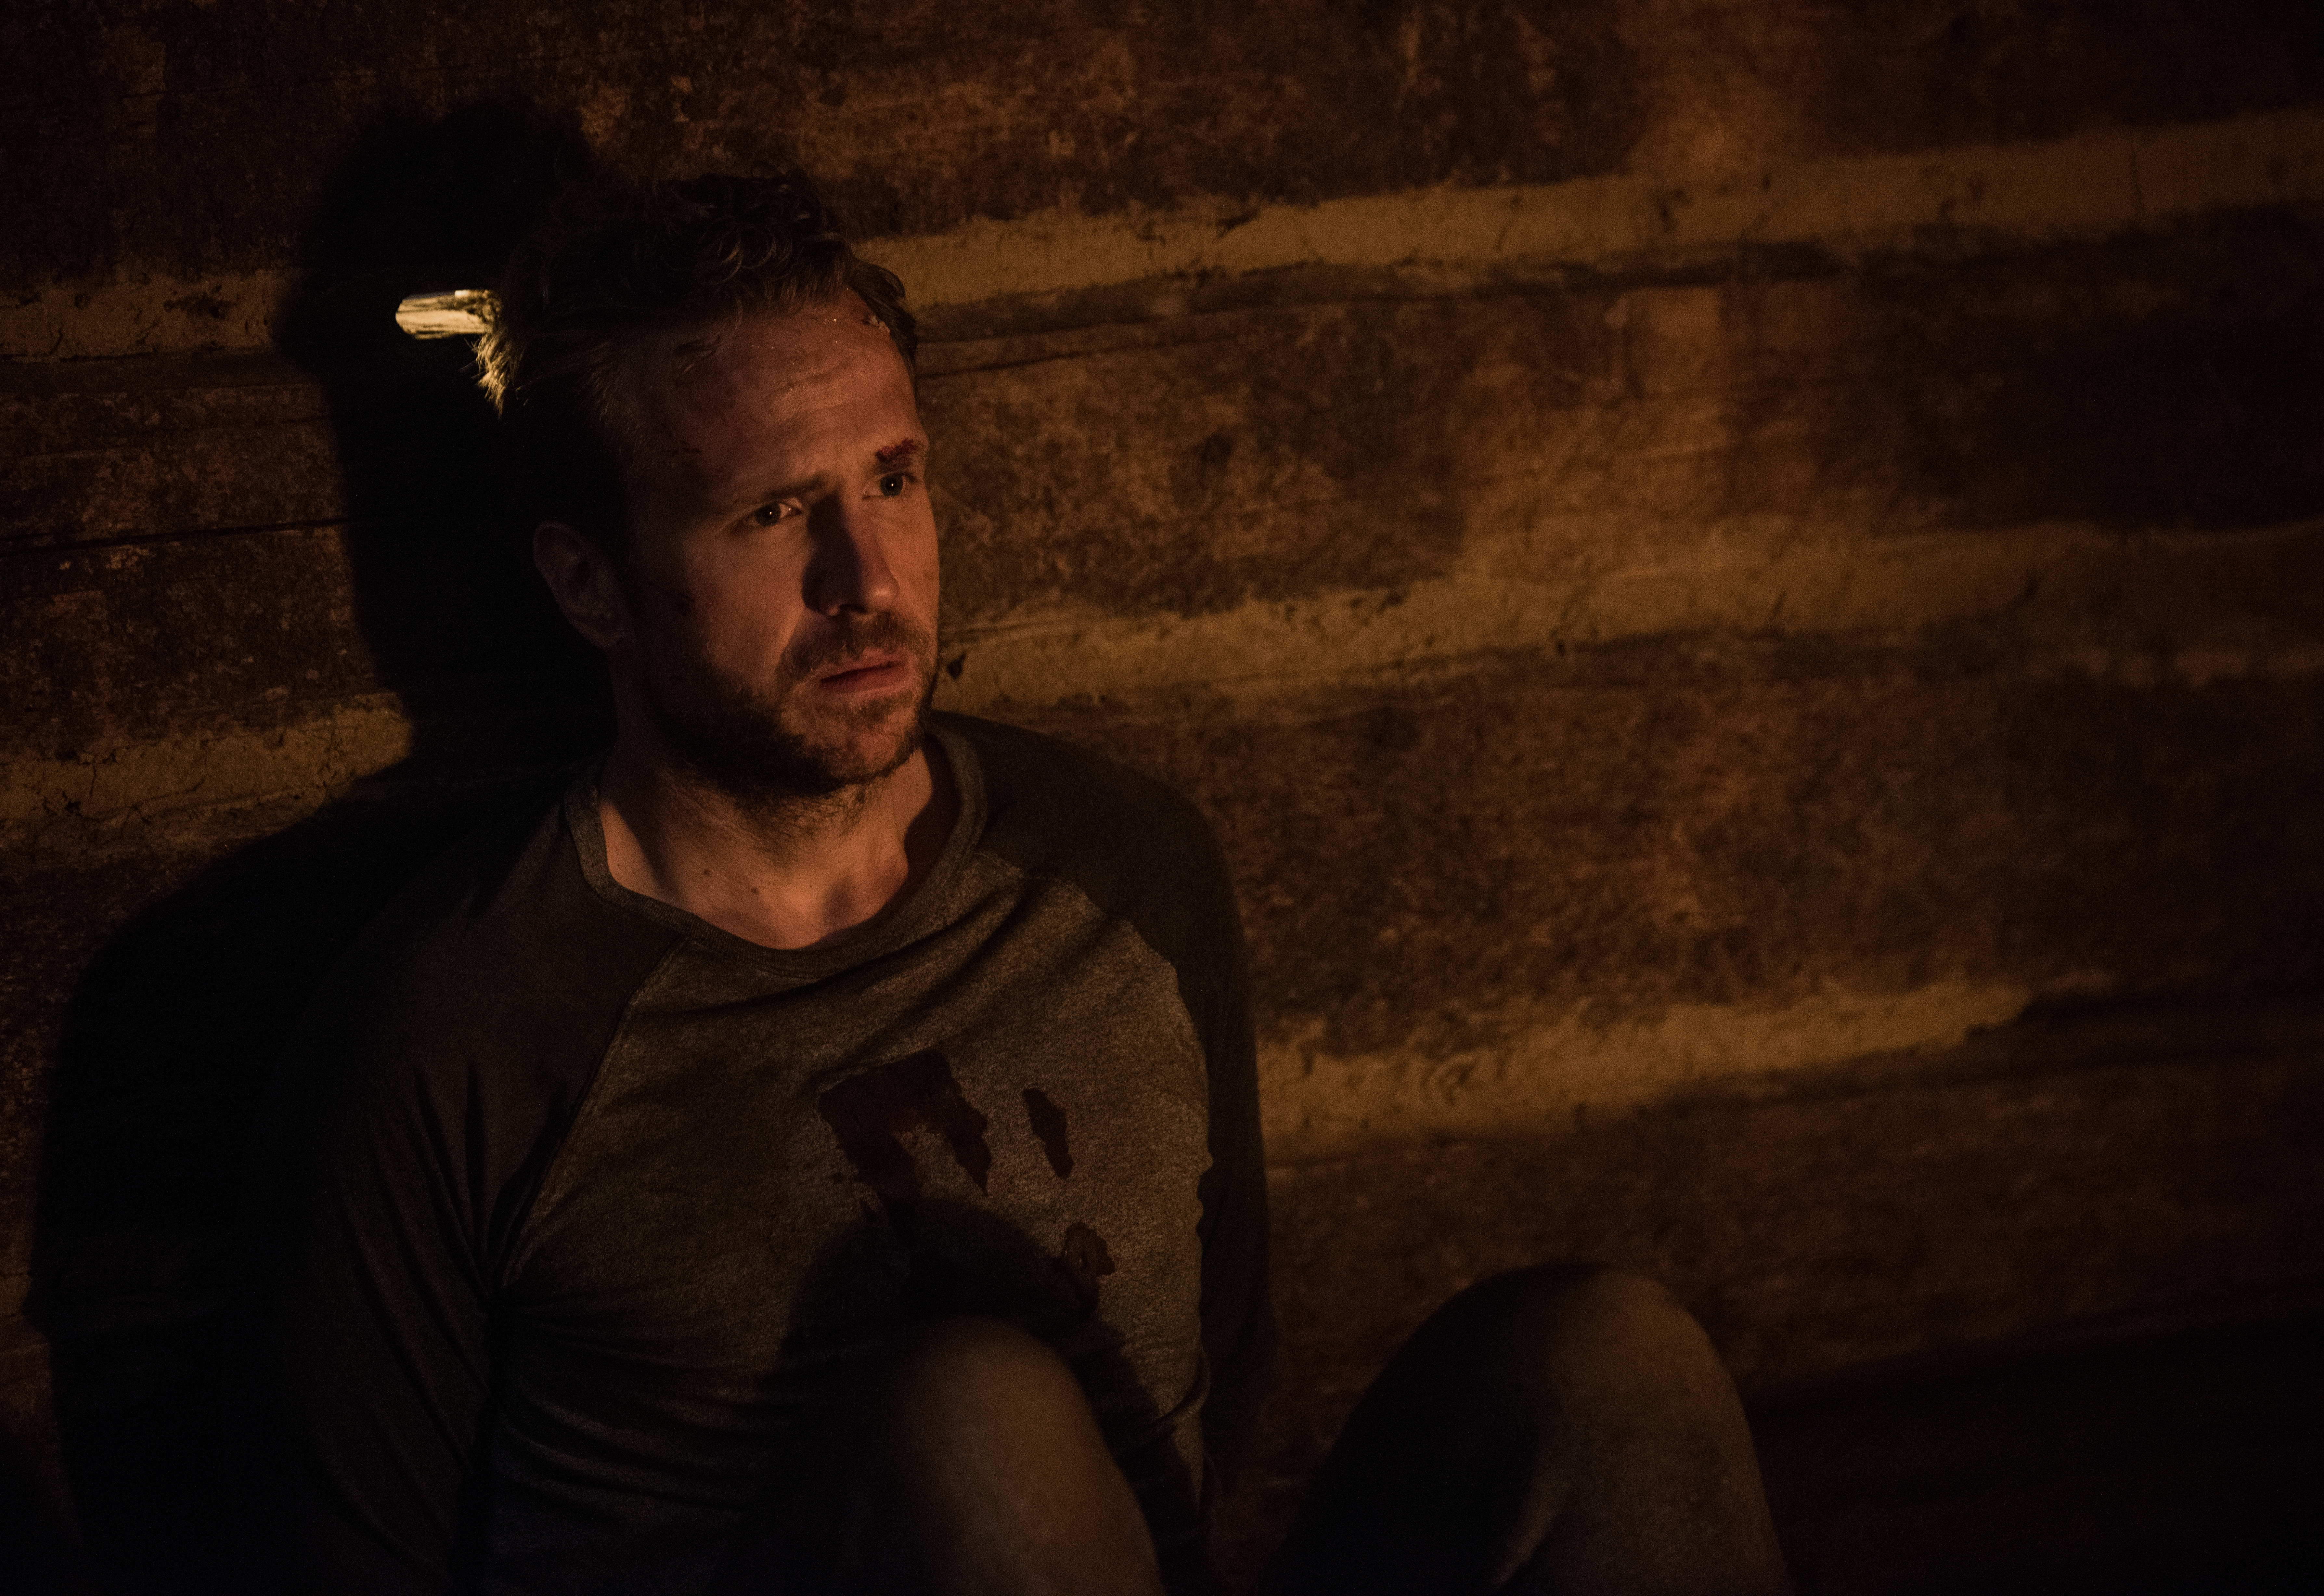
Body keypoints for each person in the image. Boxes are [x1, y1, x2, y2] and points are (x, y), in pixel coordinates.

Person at [233, 169, 1790, 1596]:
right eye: (776, 513)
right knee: (970, 1415)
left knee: (1607, 1365)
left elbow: (1207, 1401)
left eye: (894, 480)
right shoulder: (464, 1028)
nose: (870, 581)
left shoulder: (1120, 867)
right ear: (589, 583)